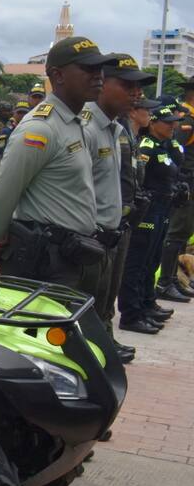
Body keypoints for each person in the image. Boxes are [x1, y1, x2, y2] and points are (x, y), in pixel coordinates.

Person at [0, 35, 113, 294]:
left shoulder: (72, 121)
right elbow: (2, 196)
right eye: (87, 68)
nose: (98, 76)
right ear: (57, 76)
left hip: (73, 255)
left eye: (99, 68)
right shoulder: (40, 129)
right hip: (46, 262)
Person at [84, 54, 150, 358]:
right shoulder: (85, 126)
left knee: (109, 289)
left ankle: (105, 338)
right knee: (92, 295)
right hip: (91, 230)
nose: (136, 94)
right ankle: (96, 344)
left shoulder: (118, 129)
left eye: (138, 87)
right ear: (101, 83)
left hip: (118, 223)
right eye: (128, 85)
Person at [119, 104, 184, 332]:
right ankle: (131, 313)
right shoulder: (147, 146)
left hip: (163, 207)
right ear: (154, 123)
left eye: (174, 122)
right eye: (168, 122)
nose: (173, 126)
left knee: (152, 259)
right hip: (149, 209)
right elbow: (140, 178)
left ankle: (147, 304)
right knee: (137, 262)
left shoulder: (164, 146)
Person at [157, 80, 194, 298]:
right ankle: (165, 282)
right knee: (176, 233)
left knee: (182, 234)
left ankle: (175, 279)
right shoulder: (186, 121)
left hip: (189, 182)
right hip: (185, 182)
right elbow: (173, 152)